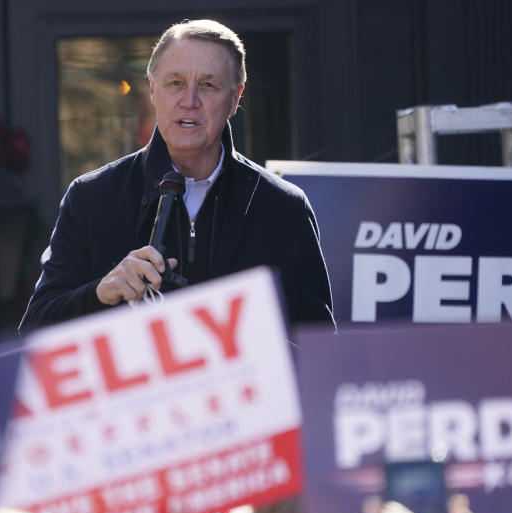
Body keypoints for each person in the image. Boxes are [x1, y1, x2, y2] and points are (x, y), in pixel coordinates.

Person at [19, 19, 334, 332]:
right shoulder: (91, 197)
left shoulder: (283, 207)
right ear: (153, 90)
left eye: (208, 85)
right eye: (176, 83)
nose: (190, 101)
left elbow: (320, 348)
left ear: (235, 99)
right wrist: (101, 292)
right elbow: (35, 328)